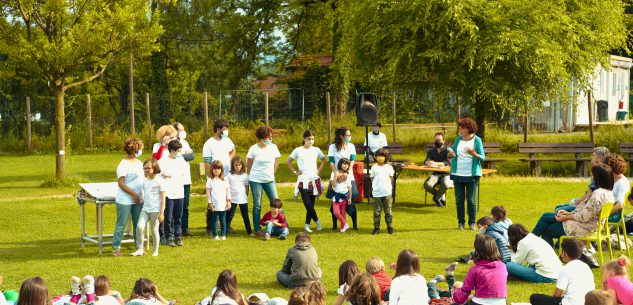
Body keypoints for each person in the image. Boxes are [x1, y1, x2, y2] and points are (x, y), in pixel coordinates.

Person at [532, 163, 615, 246]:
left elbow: (584, 216)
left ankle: (528, 242)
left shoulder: (598, 194)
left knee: (546, 228)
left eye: (593, 175)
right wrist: (569, 213)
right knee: (546, 218)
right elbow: (588, 212)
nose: (592, 177)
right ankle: (530, 242)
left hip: (584, 228)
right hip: (591, 226)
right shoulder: (609, 193)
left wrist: (566, 217)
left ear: (598, 177)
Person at [530, 238, 594, 305]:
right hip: (586, 302)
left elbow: (556, 295)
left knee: (534, 297)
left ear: (564, 253)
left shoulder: (566, 269)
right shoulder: (586, 267)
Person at [448, 118, 486, 230]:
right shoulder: (458, 139)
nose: (459, 129)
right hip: (458, 174)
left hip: (472, 175)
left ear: (468, 129)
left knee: (471, 200)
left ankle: (472, 223)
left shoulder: (477, 140)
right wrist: (450, 154)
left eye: (461, 127)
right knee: (459, 199)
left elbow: (483, 157)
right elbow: (452, 154)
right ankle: (461, 223)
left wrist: (474, 154)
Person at [287, 130, 326, 233]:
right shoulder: (298, 150)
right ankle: (318, 222)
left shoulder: (316, 150)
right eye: (309, 139)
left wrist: (318, 170)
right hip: (303, 180)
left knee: (311, 205)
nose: (311, 141)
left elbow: (324, 160)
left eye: (312, 139)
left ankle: (307, 225)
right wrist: (295, 172)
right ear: (304, 139)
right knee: (307, 204)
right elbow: (288, 161)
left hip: (314, 180)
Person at [452, 235, 508, 305]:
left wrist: (458, 290)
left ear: (477, 251)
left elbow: (462, 296)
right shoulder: (502, 266)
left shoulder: (474, 270)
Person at [247, 125, 281, 236]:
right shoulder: (253, 148)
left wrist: (273, 172)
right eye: (268, 138)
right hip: (256, 180)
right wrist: (250, 176)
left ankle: (281, 224)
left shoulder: (273, 147)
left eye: (271, 137)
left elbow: (277, 161)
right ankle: (257, 228)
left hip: (269, 179)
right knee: (257, 204)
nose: (270, 139)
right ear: (261, 138)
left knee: (276, 202)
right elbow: (249, 164)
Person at [113, 137, 145, 256]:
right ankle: (116, 248)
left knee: (138, 224)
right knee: (121, 224)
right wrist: (134, 194)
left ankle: (139, 247)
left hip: (138, 199)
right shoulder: (123, 164)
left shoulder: (139, 163)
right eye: (140, 148)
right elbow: (121, 183)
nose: (141, 150)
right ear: (134, 149)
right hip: (125, 200)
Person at [132, 158, 165, 257]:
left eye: (148, 168)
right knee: (139, 227)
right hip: (145, 209)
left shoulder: (160, 181)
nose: (145, 170)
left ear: (154, 168)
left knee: (154, 229)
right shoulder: (144, 181)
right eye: (144, 168)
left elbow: (163, 199)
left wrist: (161, 213)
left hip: (156, 210)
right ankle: (140, 249)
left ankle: (155, 251)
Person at [328, 127, 358, 230]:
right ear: (341, 136)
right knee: (334, 202)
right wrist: (336, 173)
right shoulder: (332, 147)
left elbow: (352, 160)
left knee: (351, 202)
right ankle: (335, 225)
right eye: (347, 135)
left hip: (349, 176)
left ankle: (354, 225)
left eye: (350, 135)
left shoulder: (351, 146)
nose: (349, 137)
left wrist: (347, 172)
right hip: (336, 176)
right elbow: (331, 162)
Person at [158, 140, 187, 247]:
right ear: (171, 150)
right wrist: (163, 174)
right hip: (168, 192)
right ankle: (168, 235)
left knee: (178, 216)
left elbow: (184, 172)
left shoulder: (181, 160)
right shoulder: (163, 161)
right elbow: (158, 173)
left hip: (179, 192)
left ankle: (178, 235)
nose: (180, 153)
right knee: (168, 216)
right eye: (178, 151)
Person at [173, 122, 194, 237]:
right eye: (181, 130)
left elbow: (192, 156)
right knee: (174, 205)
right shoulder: (171, 144)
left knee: (185, 205)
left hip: (186, 179)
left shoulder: (185, 143)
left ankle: (184, 228)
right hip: (175, 179)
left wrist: (180, 156)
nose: (183, 131)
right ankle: (174, 228)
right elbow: (173, 157)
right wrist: (182, 156)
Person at [370, 148, 395, 235]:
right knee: (377, 212)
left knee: (388, 211)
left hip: (387, 193)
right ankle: (376, 227)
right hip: (377, 193)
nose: (380, 158)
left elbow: (391, 178)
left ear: (386, 157)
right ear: (376, 157)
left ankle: (390, 226)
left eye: (383, 156)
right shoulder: (374, 167)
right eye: (379, 156)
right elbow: (372, 178)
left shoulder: (389, 167)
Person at [423, 132, 452, 207]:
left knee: (446, 184)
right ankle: (440, 197)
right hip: (436, 173)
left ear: (443, 141)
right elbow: (426, 161)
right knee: (427, 185)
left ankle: (436, 198)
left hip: (447, 174)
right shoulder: (431, 151)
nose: (437, 142)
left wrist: (435, 163)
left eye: (439, 140)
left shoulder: (448, 150)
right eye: (436, 140)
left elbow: (447, 163)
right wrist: (428, 162)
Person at [226, 156, 253, 236]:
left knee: (245, 216)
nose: (238, 167)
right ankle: (225, 231)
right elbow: (227, 187)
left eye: (239, 165)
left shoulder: (245, 175)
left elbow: (247, 186)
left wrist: (246, 195)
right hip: (232, 199)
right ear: (232, 166)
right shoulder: (229, 175)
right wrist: (228, 199)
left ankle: (250, 232)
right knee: (230, 216)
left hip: (243, 199)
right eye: (236, 165)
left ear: (242, 165)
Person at [206, 160, 232, 241]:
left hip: (223, 204)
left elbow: (228, 191)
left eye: (218, 169)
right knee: (214, 220)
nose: (216, 170)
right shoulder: (210, 180)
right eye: (214, 169)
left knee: (223, 220)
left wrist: (228, 201)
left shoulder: (225, 179)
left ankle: (223, 235)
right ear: (212, 169)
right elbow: (208, 192)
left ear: (221, 170)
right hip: (214, 204)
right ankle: (215, 235)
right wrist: (210, 202)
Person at [331, 158, 353, 233]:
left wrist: (349, 198)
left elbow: (350, 187)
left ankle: (342, 228)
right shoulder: (334, 173)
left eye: (347, 164)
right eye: (344, 164)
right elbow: (333, 184)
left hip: (344, 197)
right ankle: (345, 224)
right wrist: (335, 175)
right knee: (336, 212)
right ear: (340, 164)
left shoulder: (347, 175)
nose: (345, 166)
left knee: (343, 213)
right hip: (336, 198)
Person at [606, 154, 629, 222]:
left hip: (614, 213)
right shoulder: (614, 179)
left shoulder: (622, 183)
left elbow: (620, 205)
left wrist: (604, 214)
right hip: (607, 208)